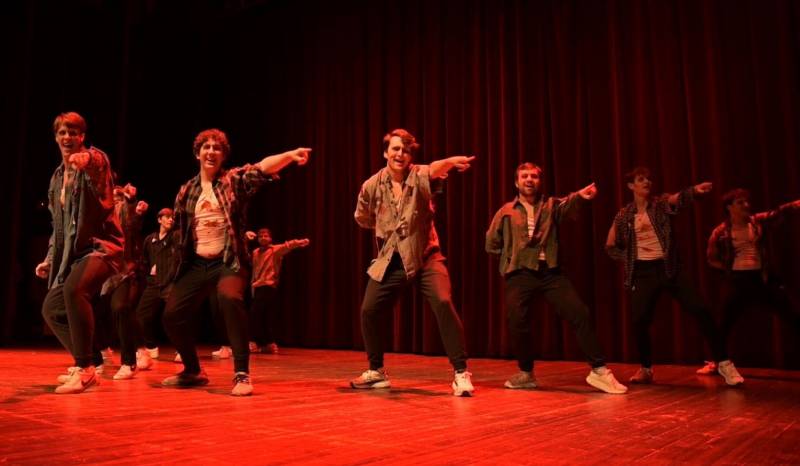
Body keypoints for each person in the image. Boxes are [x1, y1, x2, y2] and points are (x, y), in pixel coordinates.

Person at [161, 128, 311, 396]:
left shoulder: (232, 181)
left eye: (216, 148)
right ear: (197, 154)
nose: (211, 151)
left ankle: (241, 373)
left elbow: (261, 168)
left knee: (229, 298)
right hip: (197, 263)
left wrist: (289, 155)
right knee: (172, 316)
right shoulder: (187, 190)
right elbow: (179, 234)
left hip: (228, 260)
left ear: (222, 155)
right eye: (206, 147)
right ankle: (193, 370)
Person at [350, 128, 475, 396]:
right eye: (395, 149)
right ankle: (376, 371)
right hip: (392, 259)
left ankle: (461, 372)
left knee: (442, 302)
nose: (400, 154)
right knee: (368, 309)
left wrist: (451, 162)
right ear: (385, 152)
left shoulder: (418, 175)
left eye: (405, 150)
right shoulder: (372, 185)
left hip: (425, 256)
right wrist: (386, 226)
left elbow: (434, 169)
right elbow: (362, 217)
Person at [486, 162, 627, 394]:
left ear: (539, 181)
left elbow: (568, 204)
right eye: (524, 176)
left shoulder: (551, 205)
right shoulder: (506, 211)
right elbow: (491, 243)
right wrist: (510, 259)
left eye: (533, 176)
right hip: (520, 273)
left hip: (550, 272)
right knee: (516, 321)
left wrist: (581, 196)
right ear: (516, 182)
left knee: (579, 313)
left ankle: (599, 371)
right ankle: (526, 373)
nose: (529, 180)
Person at [605, 167, 743, 385]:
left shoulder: (659, 204)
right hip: (642, 272)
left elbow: (677, 199)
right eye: (641, 180)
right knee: (639, 321)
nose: (646, 183)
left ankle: (725, 363)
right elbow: (610, 245)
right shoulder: (624, 215)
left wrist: (694, 191)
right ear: (631, 186)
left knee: (701, 310)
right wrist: (630, 257)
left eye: (648, 179)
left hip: (669, 268)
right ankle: (646, 368)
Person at [36, 111, 123, 394]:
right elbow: (58, 226)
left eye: (73, 132)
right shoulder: (55, 178)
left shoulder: (96, 160)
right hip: (73, 255)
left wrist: (84, 160)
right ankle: (91, 360)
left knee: (75, 291)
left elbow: (96, 163)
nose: (67, 137)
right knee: (52, 308)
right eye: (62, 132)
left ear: (82, 137)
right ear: (55, 137)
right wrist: (50, 259)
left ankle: (85, 369)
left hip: (103, 248)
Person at [704, 189, 800, 372]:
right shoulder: (721, 232)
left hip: (762, 278)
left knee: (793, 315)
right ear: (729, 207)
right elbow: (711, 258)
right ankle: (719, 362)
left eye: (746, 202)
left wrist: (793, 205)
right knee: (724, 324)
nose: (746, 205)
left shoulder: (756, 223)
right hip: (739, 281)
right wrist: (728, 269)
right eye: (740, 203)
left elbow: (776, 213)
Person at [97, 183, 150, 380]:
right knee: (95, 311)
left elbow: (130, 223)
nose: (114, 201)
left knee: (121, 308)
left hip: (124, 271)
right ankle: (96, 357)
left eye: (117, 198)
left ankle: (133, 358)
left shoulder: (122, 212)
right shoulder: (97, 210)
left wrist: (130, 202)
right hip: (100, 271)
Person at [245, 228, 310, 354]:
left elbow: (288, 245)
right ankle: (269, 344)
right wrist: (252, 287)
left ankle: (253, 342)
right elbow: (254, 271)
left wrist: (299, 242)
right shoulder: (255, 252)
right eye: (260, 236)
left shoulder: (275, 250)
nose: (263, 238)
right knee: (264, 316)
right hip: (257, 286)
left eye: (266, 236)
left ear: (270, 238)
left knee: (255, 314)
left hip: (268, 286)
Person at [134, 207, 179, 365]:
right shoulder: (150, 239)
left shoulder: (175, 237)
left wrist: (170, 278)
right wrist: (148, 273)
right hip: (153, 283)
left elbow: (177, 261)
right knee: (141, 315)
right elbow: (145, 260)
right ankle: (151, 346)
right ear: (159, 219)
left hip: (170, 283)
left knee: (173, 317)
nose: (170, 219)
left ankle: (181, 350)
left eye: (172, 217)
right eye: (167, 216)